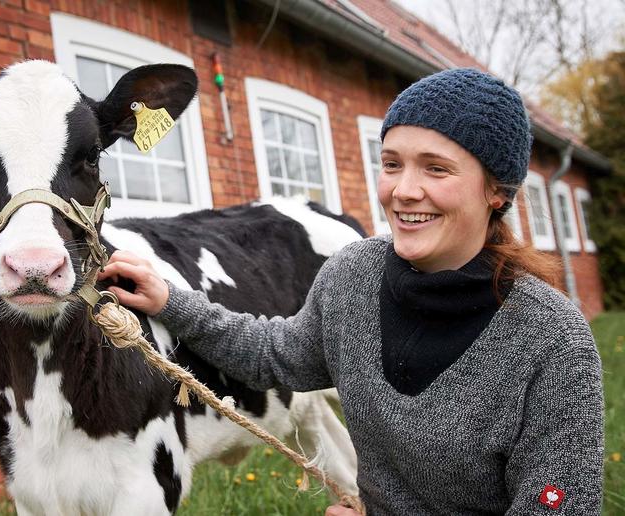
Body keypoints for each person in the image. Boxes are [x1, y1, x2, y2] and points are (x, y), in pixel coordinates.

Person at [97, 68, 604, 515]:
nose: (403, 190)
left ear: (497, 191)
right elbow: (272, 354)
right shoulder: (353, 278)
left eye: (436, 168)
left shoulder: (551, 339)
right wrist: (170, 300)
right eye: (391, 163)